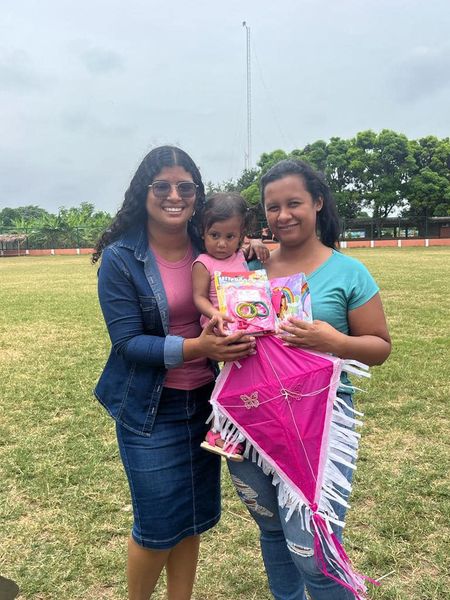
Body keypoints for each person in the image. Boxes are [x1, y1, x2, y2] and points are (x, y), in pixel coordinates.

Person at [92, 145, 258, 600]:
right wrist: (197, 348)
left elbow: (248, 282)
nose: (174, 195)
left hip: (206, 403)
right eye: (162, 186)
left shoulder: (212, 245)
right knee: (156, 527)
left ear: (197, 195)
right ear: (143, 192)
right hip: (150, 407)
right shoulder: (121, 258)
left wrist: (252, 249)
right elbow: (128, 342)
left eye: (185, 187)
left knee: (191, 519)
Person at [227, 159, 391, 600]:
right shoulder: (248, 268)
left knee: (313, 550)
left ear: (317, 202)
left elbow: (380, 347)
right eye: (273, 207)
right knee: (272, 530)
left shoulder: (349, 272)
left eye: (294, 203)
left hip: (321, 422)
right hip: (251, 422)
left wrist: (334, 340)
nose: (283, 215)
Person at [192, 192, 269, 460]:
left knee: (248, 380)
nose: (222, 243)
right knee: (233, 382)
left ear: (240, 236)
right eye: (214, 235)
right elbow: (199, 297)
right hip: (220, 329)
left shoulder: (239, 255)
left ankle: (238, 433)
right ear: (203, 232)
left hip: (247, 324)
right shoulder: (204, 263)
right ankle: (218, 432)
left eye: (230, 236)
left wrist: (255, 242)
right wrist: (216, 315)